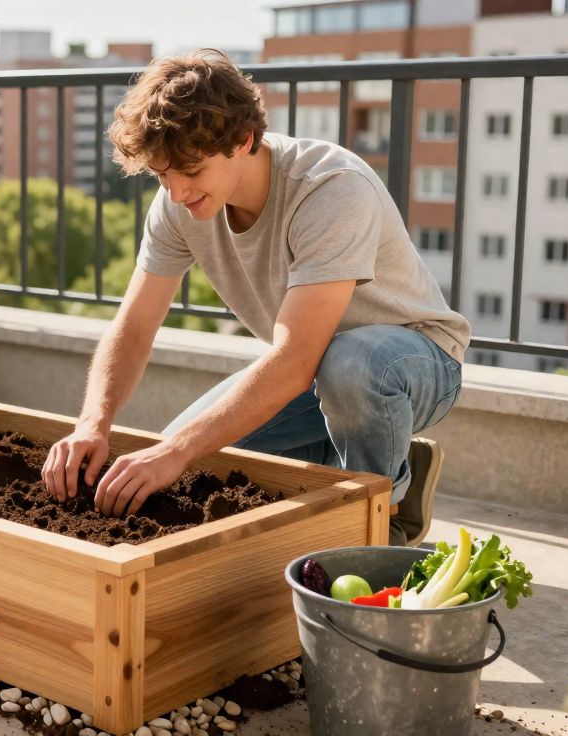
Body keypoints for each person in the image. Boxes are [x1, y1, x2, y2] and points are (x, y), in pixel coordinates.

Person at [39, 49, 471, 546]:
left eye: (192, 171)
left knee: (346, 369)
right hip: (312, 373)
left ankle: (384, 516)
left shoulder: (330, 189)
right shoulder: (178, 203)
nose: (176, 192)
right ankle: (369, 453)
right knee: (185, 466)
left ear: (243, 140)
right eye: (162, 175)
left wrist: (178, 450)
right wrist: (94, 423)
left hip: (411, 363)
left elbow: (292, 361)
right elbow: (134, 327)